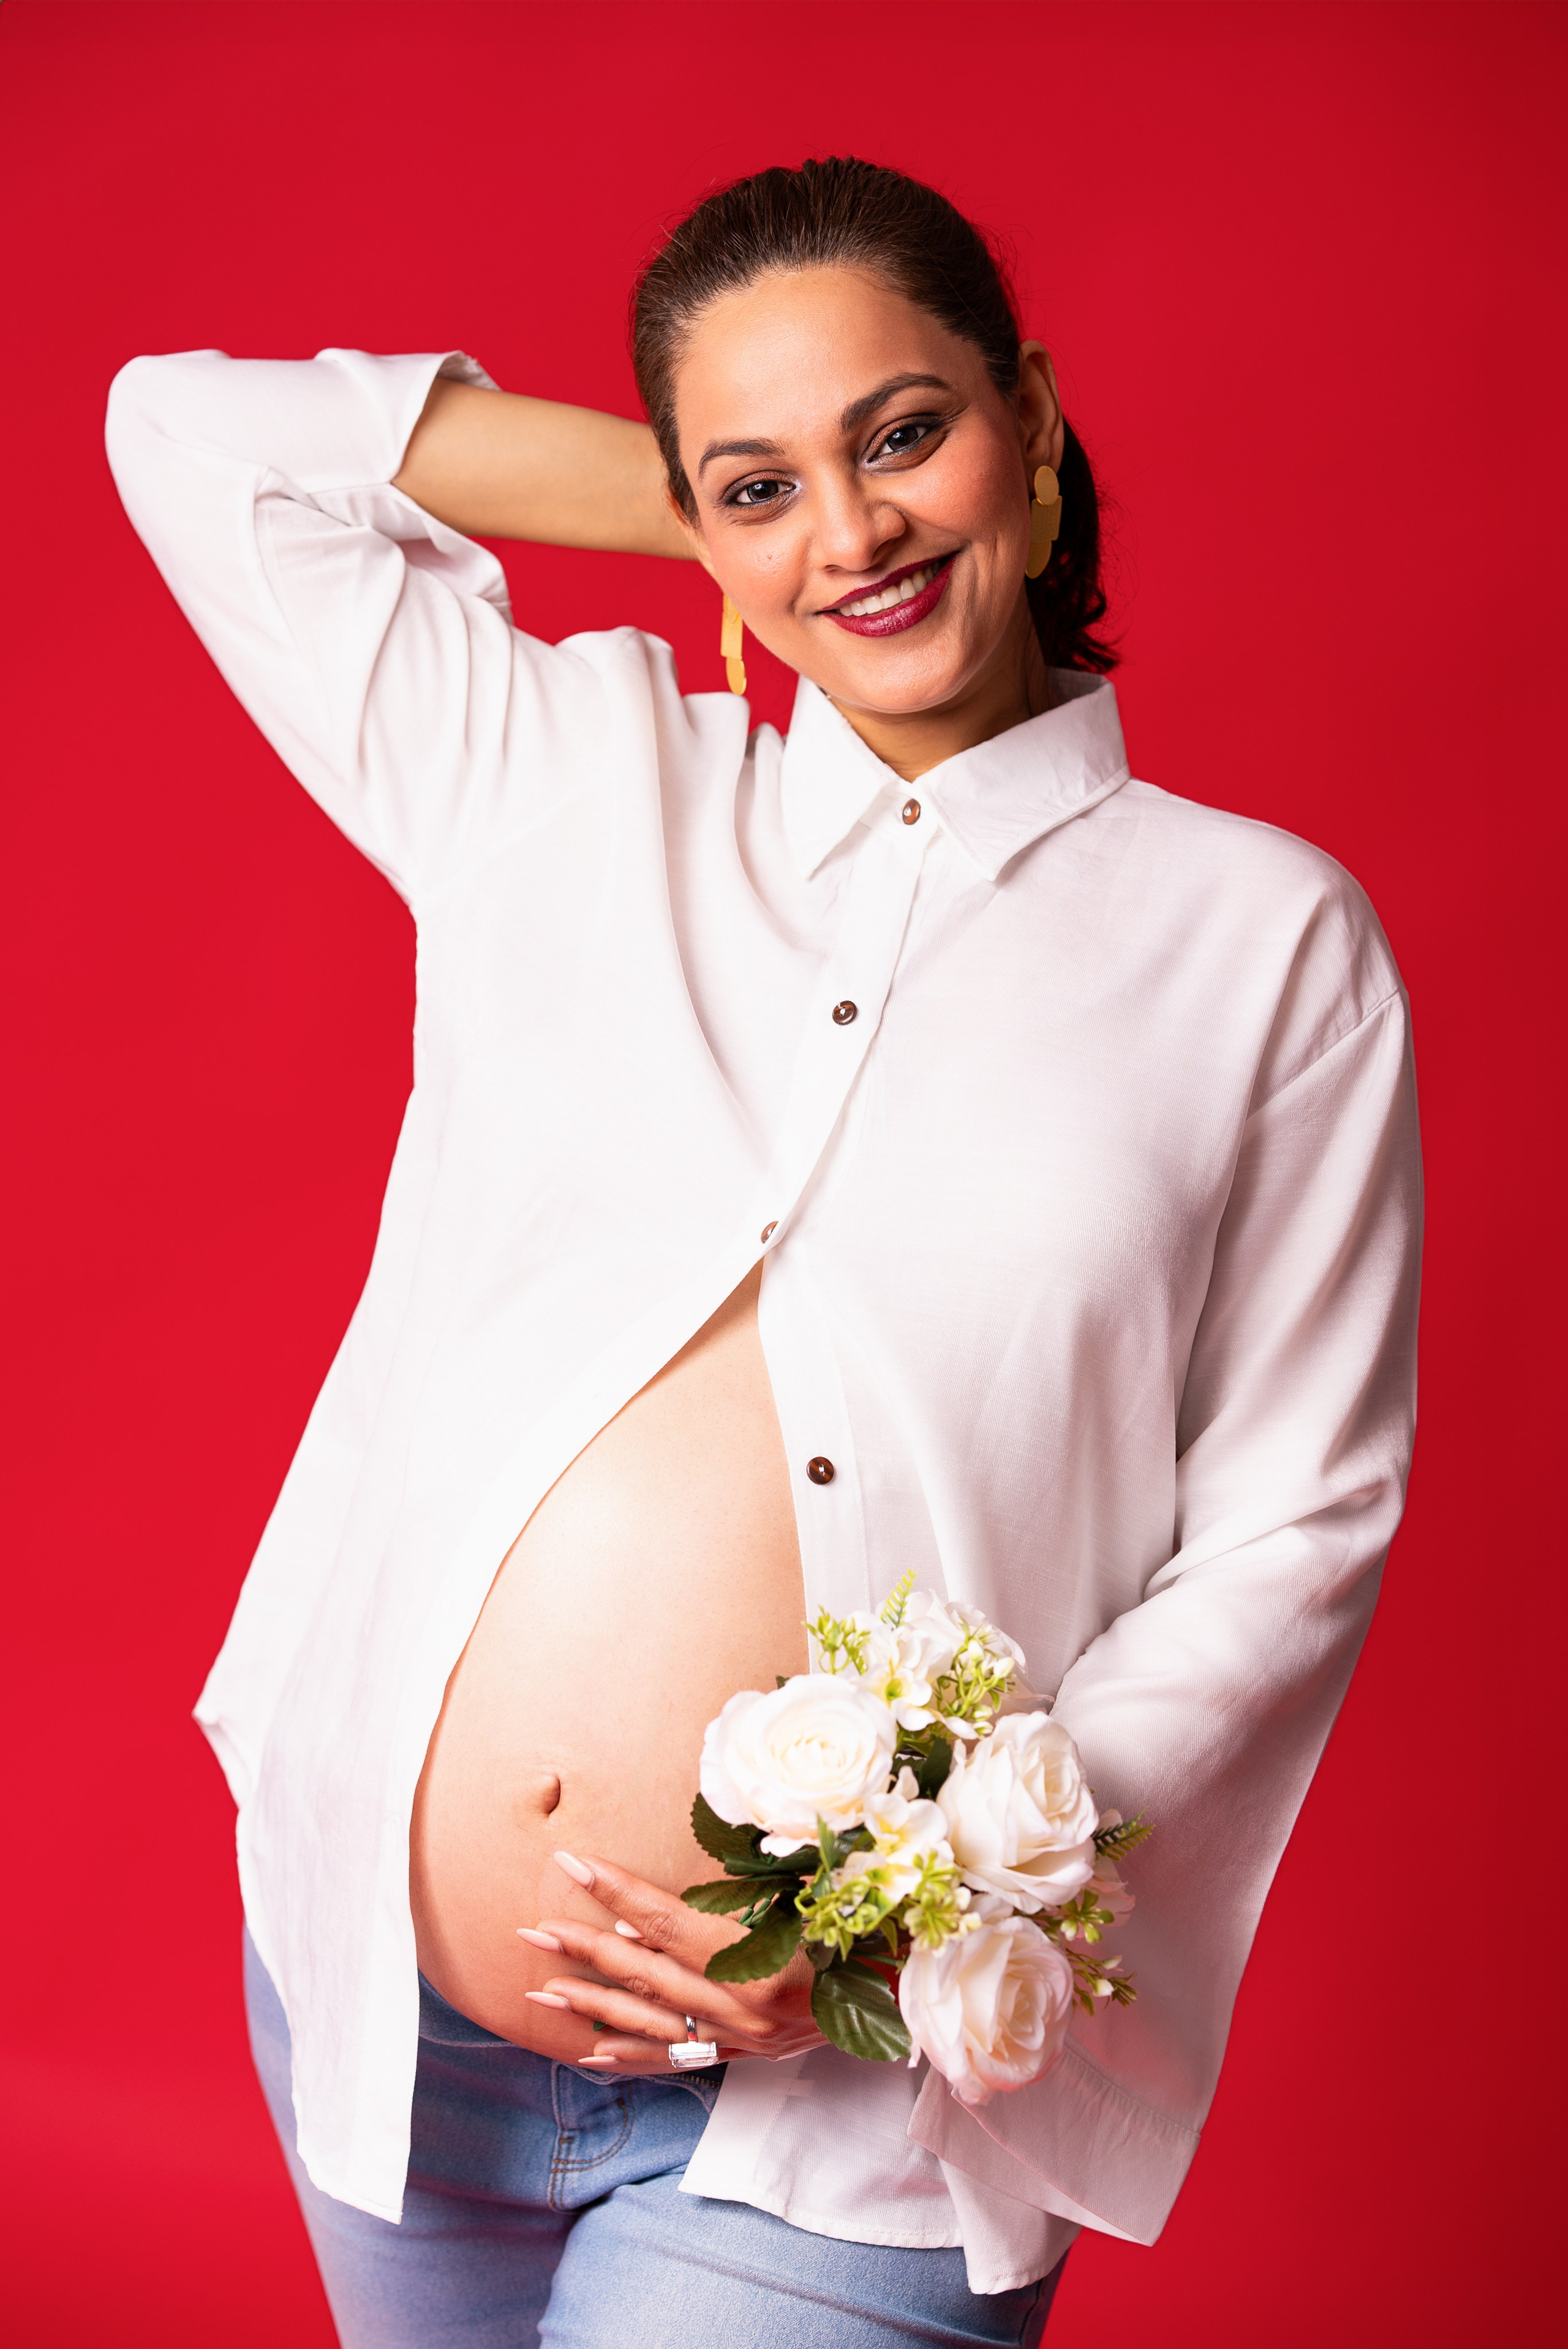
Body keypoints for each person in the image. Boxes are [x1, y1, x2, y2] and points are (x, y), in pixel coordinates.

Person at [105, 157, 1420, 2348]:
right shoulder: (563, 768)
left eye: (906, 435)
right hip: (385, 2039)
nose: (855, 533)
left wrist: (928, 1903)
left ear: (1037, 415)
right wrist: (710, 504)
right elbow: (190, 431)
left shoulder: (1265, 941)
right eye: (762, 483)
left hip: (851, 2109)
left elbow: (1299, 1522)